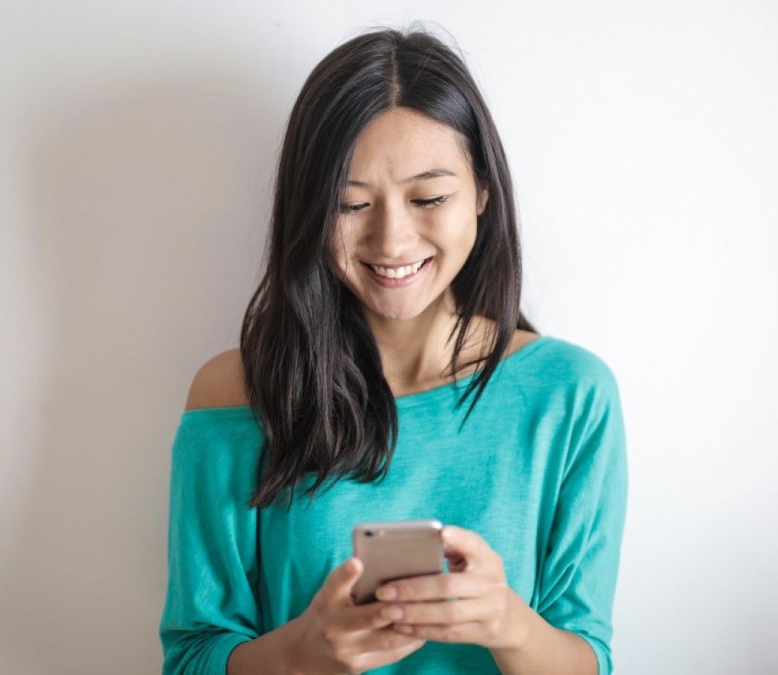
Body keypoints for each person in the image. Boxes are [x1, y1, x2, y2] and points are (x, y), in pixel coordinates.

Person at [159, 24, 628, 675]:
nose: (392, 238)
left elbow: (588, 658)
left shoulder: (570, 395)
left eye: (429, 197)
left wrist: (509, 624)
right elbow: (190, 658)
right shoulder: (236, 394)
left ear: (483, 193)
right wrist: (304, 651)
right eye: (351, 204)